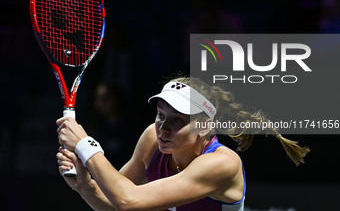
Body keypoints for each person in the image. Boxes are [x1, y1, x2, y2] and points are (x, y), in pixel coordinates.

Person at [56, 77, 309, 211]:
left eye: (178, 120)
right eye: (161, 115)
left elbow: (128, 199)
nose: (163, 128)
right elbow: (116, 205)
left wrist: (84, 144)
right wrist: (84, 185)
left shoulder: (222, 164)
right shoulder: (152, 140)